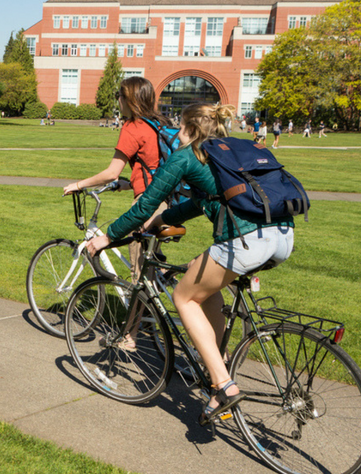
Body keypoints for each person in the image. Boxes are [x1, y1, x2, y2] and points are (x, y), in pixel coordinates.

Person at [87, 102, 295, 425]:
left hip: (247, 241)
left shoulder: (185, 156)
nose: (176, 133)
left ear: (191, 131)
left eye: (180, 127)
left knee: (183, 296)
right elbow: (198, 205)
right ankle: (221, 363)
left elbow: (144, 207)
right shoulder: (225, 156)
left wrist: (107, 237)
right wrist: (161, 221)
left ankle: (224, 386)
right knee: (204, 288)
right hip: (282, 235)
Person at [63, 76, 168, 284]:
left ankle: (137, 317)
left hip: (147, 204)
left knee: (139, 277)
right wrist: (129, 184)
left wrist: (78, 184)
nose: (118, 100)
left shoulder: (133, 127)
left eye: (119, 96)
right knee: (153, 268)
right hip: (166, 201)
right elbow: (154, 168)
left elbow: (112, 172)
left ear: (129, 99)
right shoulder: (158, 124)